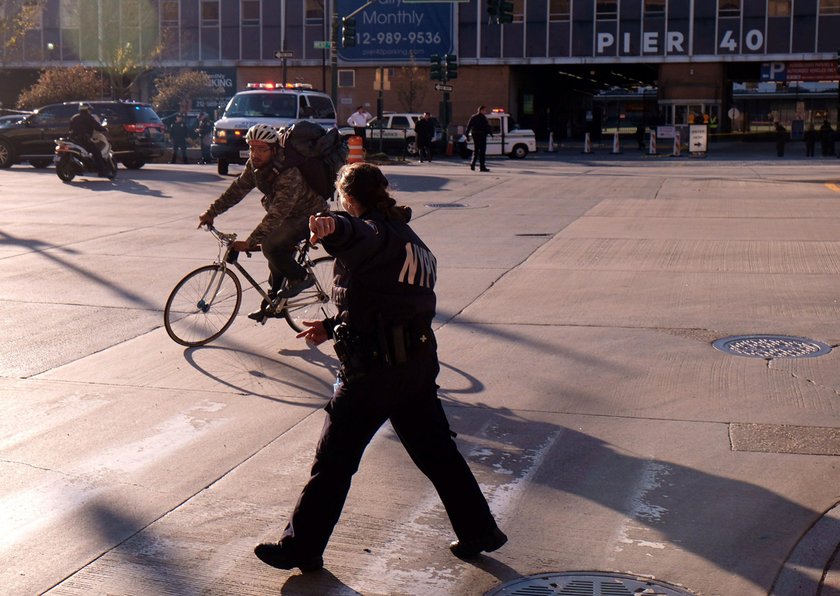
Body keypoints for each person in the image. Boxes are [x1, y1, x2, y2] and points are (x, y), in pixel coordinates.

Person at [253, 162, 507, 573]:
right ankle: (480, 531)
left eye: (341, 201)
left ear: (349, 200)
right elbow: (390, 301)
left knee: (334, 461)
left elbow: (358, 234)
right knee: (439, 454)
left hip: (373, 372)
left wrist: (333, 227)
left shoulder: (372, 231)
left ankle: (302, 547)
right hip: (416, 368)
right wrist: (333, 324)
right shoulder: (413, 242)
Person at [197, 123, 328, 320]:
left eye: (261, 149)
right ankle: (274, 305)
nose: (255, 154)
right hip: (289, 214)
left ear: (274, 150)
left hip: (308, 215)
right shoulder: (255, 166)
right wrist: (211, 211)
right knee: (275, 262)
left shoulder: (288, 173)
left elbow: (277, 214)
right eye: (252, 148)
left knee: (270, 245)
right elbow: (237, 189)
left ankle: (302, 278)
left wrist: (250, 241)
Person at [68, 104, 107, 176]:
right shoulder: (89, 117)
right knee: (97, 153)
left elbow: (70, 129)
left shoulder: (74, 117)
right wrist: (104, 129)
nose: (90, 111)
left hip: (74, 140)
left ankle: (80, 168)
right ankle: (102, 171)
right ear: (86, 110)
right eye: (89, 110)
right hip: (85, 140)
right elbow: (97, 126)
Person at [465, 105, 492, 172]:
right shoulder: (483, 118)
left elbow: (468, 126)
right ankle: (482, 167)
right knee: (482, 151)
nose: (485, 111)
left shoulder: (473, 117)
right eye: (484, 110)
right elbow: (487, 127)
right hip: (482, 135)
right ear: (481, 110)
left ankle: (473, 164)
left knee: (476, 150)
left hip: (475, 134)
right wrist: (491, 133)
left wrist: (467, 135)